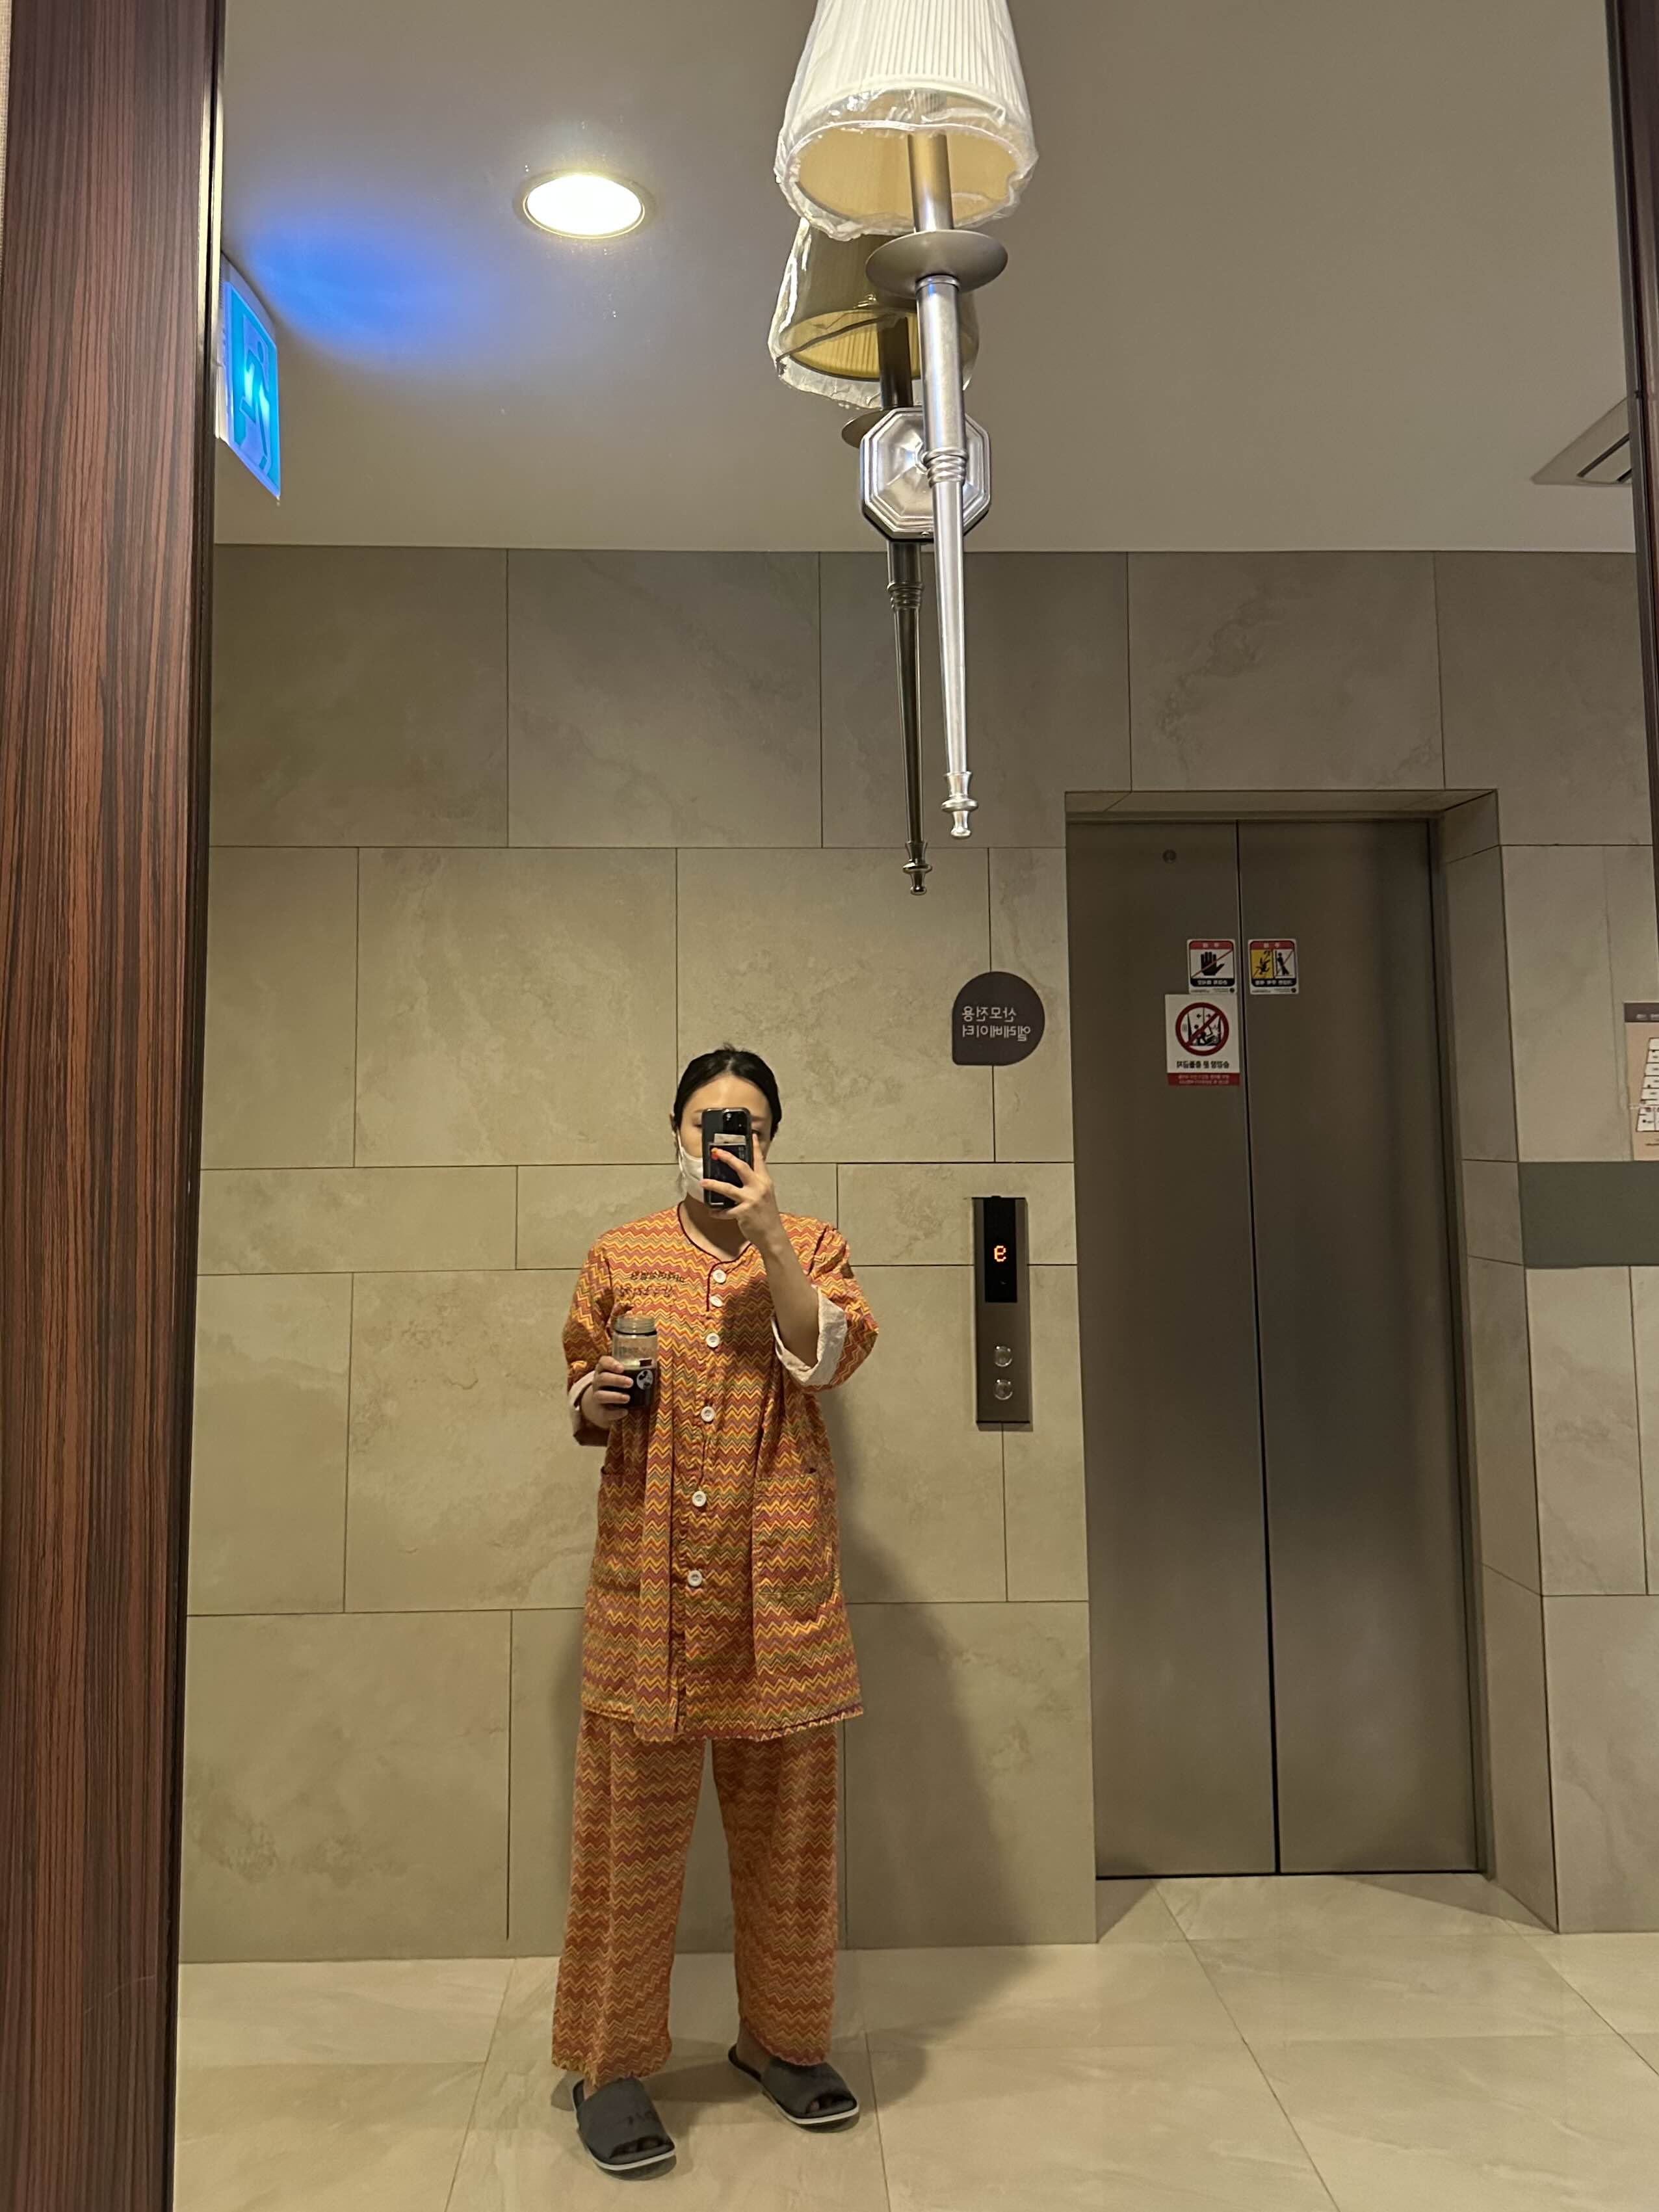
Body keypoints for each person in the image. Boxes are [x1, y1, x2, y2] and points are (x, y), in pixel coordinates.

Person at [551, 1044, 878, 2176]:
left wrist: (771, 1234)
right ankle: (610, 2066)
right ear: (676, 1132)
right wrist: (593, 1399)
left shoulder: (814, 1246)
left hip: (776, 1591)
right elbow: (584, 1380)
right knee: (627, 1844)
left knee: (791, 1837)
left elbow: (827, 1356)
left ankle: (782, 2042)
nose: (725, 1137)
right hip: (647, 1587)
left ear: (771, 1142)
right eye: (707, 1120)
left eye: (749, 1124)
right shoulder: (620, 1251)